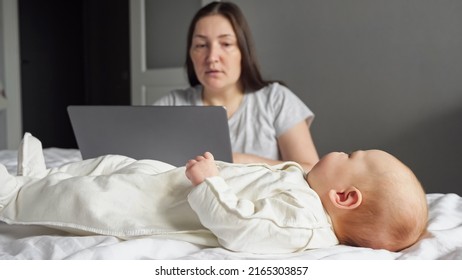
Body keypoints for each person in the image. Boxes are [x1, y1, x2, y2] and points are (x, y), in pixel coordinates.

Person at [0, 133, 427, 254]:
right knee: (111, 164)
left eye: (351, 154)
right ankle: (38, 178)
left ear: (345, 198)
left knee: (93, 198)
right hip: (169, 181)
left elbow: (245, 228)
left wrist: (210, 184)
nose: (341, 149)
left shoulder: (305, 220)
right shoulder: (304, 186)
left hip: (161, 207)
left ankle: (14, 198)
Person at [153, 1, 319, 171]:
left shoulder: (276, 99)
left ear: (243, 52)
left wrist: (239, 160)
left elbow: (311, 169)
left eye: (226, 44)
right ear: (190, 54)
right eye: (201, 45)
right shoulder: (172, 104)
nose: (212, 57)